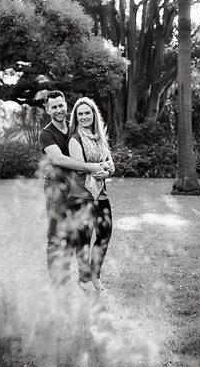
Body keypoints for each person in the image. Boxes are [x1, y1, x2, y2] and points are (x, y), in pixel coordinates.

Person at [37, 90, 112, 286]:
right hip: (56, 188)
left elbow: (99, 147)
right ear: (47, 109)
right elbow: (60, 159)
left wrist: (107, 167)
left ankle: (81, 279)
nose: (58, 110)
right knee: (56, 235)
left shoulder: (74, 128)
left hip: (76, 188)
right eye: (54, 107)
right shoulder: (46, 134)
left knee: (75, 235)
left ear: (66, 105)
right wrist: (93, 167)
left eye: (61, 105)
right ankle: (58, 283)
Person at [67, 97, 115, 292]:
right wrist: (105, 167)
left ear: (94, 115)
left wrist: (108, 172)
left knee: (105, 234)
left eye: (87, 112)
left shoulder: (99, 138)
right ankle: (84, 279)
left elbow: (110, 164)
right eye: (80, 114)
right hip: (81, 195)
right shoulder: (74, 139)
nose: (84, 116)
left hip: (100, 194)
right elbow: (81, 167)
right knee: (84, 239)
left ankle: (95, 275)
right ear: (76, 117)